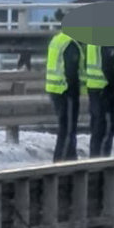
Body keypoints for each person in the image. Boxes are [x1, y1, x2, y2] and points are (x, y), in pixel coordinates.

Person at [44, 15, 83, 162]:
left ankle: (69, 159)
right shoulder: (70, 44)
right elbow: (71, 71)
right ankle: (62, 162)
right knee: (68, 128)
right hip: (66, 90)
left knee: (65, 127)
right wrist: (75, 90)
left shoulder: (58, 39)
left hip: (55, 89)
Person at [84, 41, 114, 157]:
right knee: (105, 132)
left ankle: (94, 163)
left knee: (97, 132)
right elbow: (108, 67)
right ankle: (101, 167)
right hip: (106, 90)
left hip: (94, 89)